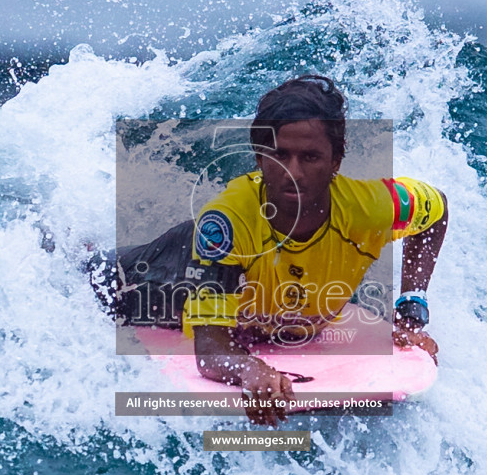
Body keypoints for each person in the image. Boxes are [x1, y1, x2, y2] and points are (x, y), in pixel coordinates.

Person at [182, 74, 447, 425]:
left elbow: (436, 210)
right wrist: (246, 369)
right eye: (280, 155)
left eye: (310, 157)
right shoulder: (227, 225)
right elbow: (211, 351)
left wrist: (410, 312)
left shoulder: (368, 208)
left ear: (336, 160)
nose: (294, 173)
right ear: (260, 159)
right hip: (165, 276)